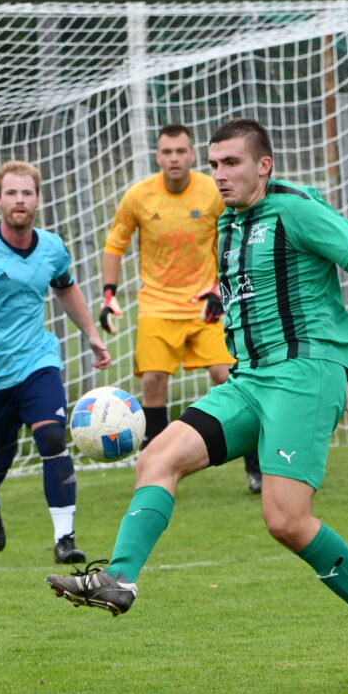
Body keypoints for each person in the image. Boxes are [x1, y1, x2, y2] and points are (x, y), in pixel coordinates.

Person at [47, 118, 348, 692]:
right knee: (157, 458)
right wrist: (217, 298)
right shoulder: (229, 225)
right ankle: (118, 580)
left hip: (304, 373)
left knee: (285, 521)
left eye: (231, 163)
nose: (218, 175)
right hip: (251, 380)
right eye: (213, 164)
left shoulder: (293, 207)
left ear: (263, 165)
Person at [0, 160, 112, 565]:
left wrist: (92, 334)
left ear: (37, 199)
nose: (19, 200)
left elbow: (66, 289)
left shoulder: (52, 247)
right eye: (11, 193)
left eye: (26, 193)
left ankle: (65, 539)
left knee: (52, 437)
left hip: (37, 359)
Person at [99, 123, 262, 493]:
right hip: (156, 304)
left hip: (207, 303)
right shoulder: (139, 196)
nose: (174, 158)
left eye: (181, 151)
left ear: (192, 156)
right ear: (157, 157)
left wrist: (223, 288)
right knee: (154, 383)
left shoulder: (212, 191)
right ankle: (154, 467)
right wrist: (108, 295)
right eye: (167, 152)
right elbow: (115, 244)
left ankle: (257, 468)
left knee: (229, 377)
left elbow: (237, 232)